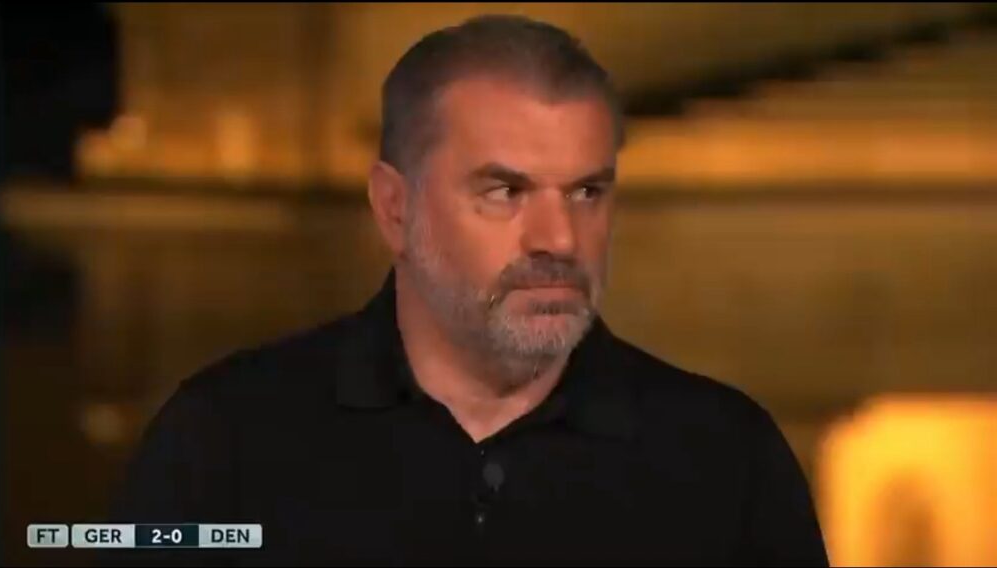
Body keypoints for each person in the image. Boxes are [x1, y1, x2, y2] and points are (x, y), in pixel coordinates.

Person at [108, 14, 829, 566]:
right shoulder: (224, 439)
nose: (559, 239)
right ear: (396, 208)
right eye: (504, 191)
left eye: (586, 191)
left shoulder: (726, 458)